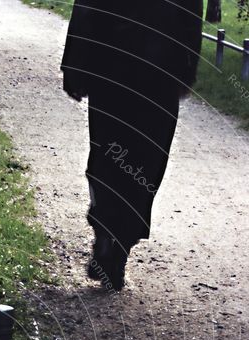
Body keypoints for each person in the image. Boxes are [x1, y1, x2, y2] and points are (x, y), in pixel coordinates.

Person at [61, 0, 203, 290]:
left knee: (107, 154)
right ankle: (120, 247)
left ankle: (104, 232)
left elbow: (87, 8)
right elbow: (191, 13)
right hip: (159, 72)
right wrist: (187, 67)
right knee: (147, 162)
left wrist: (74, 65)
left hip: (112, 66)